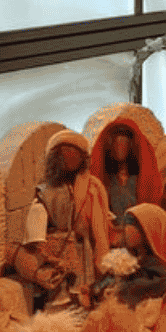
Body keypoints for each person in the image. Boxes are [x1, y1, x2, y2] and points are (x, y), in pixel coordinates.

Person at [16, 131, 113, 311]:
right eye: (65, 152)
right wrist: (45, 253)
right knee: (59, 301)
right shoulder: (45, 192)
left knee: (86, 298)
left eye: (74, 153)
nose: (70, 157)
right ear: (55, 157)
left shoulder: (93, 187)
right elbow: (36, 233)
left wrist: (102, 257)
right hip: (57, 255)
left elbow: (100, 227)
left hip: (86, 252)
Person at [92, 202, 166, 332]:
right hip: (124, 307)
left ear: (150, 232)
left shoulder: (157, 266)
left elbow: (154, 284)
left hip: (141, 312)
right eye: (126, 224)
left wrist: (123, 288)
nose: (127, 231)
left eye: (134, 226)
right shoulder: (131, 257)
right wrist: (100, 286)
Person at [88, 117, 163, 226]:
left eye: (124, 144)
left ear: (130, 146)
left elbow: (151, 207)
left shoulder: (141, 179)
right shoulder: (106, 180)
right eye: (116, 144)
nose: (120, 149)